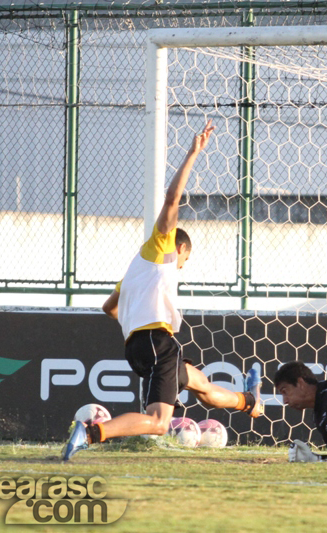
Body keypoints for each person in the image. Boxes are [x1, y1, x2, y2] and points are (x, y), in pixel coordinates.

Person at [63, 121, 263, 461]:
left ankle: (248, 400)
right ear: (180, 248)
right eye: (186, 258)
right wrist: (192, 153)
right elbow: (172, 199)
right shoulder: (163, 247)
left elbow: (108, 308)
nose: (183, 264)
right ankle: (90, 433)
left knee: (202, 386)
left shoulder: (135, 275)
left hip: (138, 346)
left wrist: (134, 314)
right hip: (158, 342)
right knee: (158, 422)